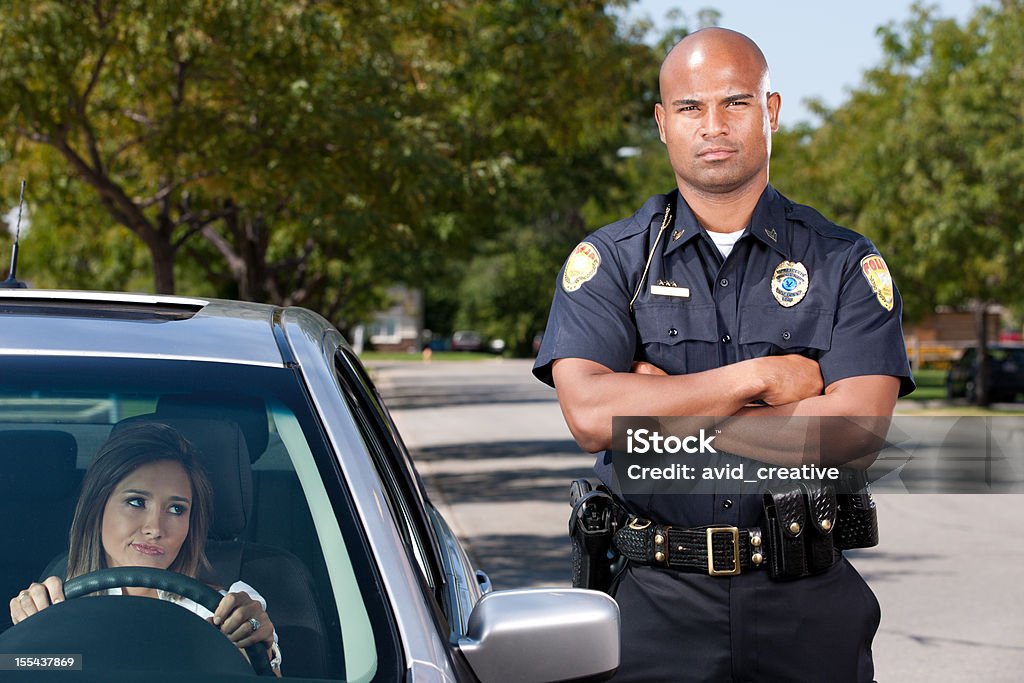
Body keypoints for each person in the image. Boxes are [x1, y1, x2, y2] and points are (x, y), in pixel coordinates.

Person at [534, 27, 914, 682]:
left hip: (808, 609)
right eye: (690, 107)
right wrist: (763, 378)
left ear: (770, 111)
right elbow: (593, 416)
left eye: (735, 103)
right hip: (655, 608)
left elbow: (852, 433)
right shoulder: (612, 265)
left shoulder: (844, 261)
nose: (713, 125)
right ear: (662, 122)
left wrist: (655, 409)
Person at [8, 423, 282, 675]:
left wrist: (257, 641)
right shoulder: (55, 603)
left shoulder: (224, 610)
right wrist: (25, 635)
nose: (155, 528)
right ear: (97, 506)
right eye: (137, 502)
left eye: (176, 509)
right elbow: (21, 670)